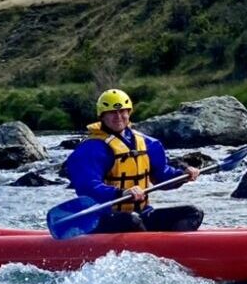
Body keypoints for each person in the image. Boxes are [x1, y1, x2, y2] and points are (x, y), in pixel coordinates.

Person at [64, 88, 204, 234]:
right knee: (131, 219)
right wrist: (121, 193)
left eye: (122, 111)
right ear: (102, 116)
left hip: (142, 213)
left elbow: (161, 174)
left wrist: (183, 175)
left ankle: (176, 251)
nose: (118, 116)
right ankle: (152, 250)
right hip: (103, 218)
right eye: (112, 112)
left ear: (129, 112)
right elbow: (88, 188)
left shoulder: (148, 143)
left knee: (193, 212)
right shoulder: (91, 149)